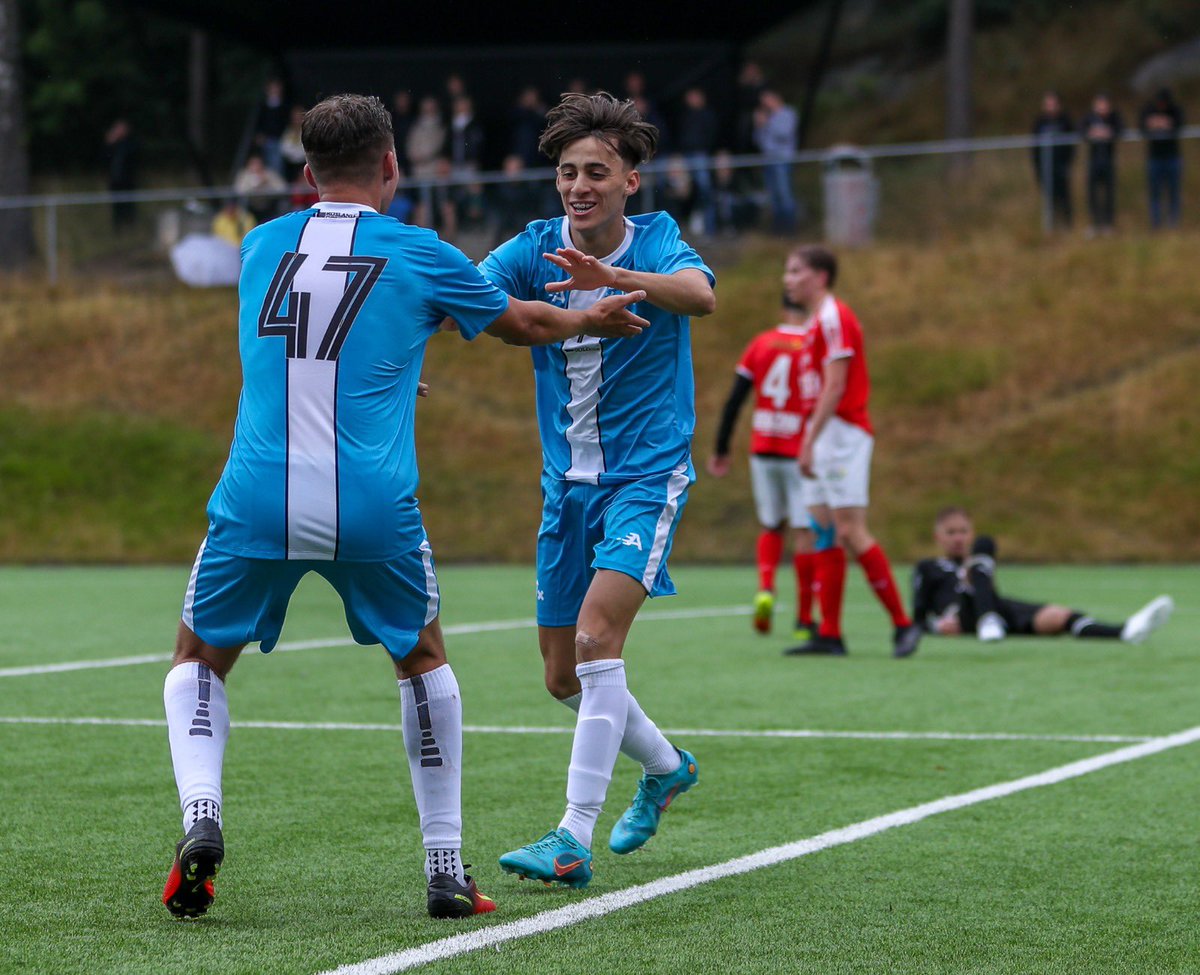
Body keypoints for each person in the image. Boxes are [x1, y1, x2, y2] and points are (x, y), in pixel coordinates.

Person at [159, 93, 650, 923]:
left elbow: (312, 340)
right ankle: (445, 868)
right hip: (370, 502)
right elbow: (522, 322)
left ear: (307, 172)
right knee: (421, 658)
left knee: (198, 657)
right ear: (392, 163)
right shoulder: (420, 250)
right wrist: (589, 316)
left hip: (257, 495)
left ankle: (202, 813)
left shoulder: (259, 245)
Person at [477, 91, 716, 889]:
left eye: (597, 173)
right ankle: (667, 766)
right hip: (566, 486)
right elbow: (468, 301)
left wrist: (614, 277)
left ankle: (571, 836)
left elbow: (701, 296)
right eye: (568, 172)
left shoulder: (658, 240)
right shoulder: (533, 248)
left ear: (629, 183)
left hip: (646, 474)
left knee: (595, 639)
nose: (579, 186)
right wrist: (398, 363)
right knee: (561, 675)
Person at [782, 245, 921, 659]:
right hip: (820, 433)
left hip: (841, 433)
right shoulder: (813, 322)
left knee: (849, 529)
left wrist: (810, 440)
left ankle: (903, 624)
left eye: (796, 271)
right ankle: (830, 633)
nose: (788, 279)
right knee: (822, 528)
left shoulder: (834, 317)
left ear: (820, 276)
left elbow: (836, 384)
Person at [708, 284, 826, 641]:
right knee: (804, 532)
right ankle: (804, 620)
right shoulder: (814, 346)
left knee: (771, 524)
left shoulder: (761, 344)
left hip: (763, 447)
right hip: (799, 449)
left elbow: (735, 400)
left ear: (782, 308)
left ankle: (765, 588)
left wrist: (721, 447)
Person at [913, 507, 1174, 646]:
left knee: (1059, 616)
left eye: (963, 531)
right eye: (951, 532)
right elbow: (917, 619)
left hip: (997, 607)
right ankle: (986, 620)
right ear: (938, 537)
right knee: (981, 555)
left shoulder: (979, 562)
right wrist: (937, 626)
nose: (958, 538)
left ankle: (1124, 631)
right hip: (961, 615)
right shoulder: (928, 567)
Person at [754, 90, 798, 234]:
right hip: (768, 160)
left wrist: (767, 123)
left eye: (766, 101)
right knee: (773, 196)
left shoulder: (787, 114)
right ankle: (778, 229)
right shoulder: (768, 117)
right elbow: (759, 141)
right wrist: (759, 126)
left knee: (784, 193)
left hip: (782, 160)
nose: (764, 104)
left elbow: (784, 134)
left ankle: (790, 228)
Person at [1139, 88, 1184, 229]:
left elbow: (1179, 124)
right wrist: (1154, 124)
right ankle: (1156, 224)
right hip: (1154, 158)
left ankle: (1173, 223)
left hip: (1172, 157)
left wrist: (1165, 123)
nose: (1161, 105)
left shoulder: (1175, 110)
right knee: (1155, 192)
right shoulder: (1149, 109)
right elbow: (1142, 125)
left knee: (1173, 191)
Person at [1031, 91, 1075, 229]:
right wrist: (1038, 167)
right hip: (1045, 167)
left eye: (1053, 104)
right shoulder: (1039, 122)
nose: (1051, 107)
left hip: (1061, 165)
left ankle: (1066, 225)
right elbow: (1034, 148)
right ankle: (1051, 225)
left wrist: (1067, 163)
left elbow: (1071, 146)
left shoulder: (1065, 121)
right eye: (1048, 104)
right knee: (1049, 198)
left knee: (1064, 197)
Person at [1080, 93, 1123, 236]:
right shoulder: (1089, 118)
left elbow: (1120, 129)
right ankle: (1094, 224)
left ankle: (1108, 224)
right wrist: (1091, 133)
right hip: (1093, 162)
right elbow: (1081, 130)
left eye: (1104, 104)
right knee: (1092, 194)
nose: (1102, 107)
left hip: (1108, 162)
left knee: (1109, 193)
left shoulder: (1114, 117)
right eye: (1099, 104)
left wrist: (1108, 133)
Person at [104, 118, 138, 231]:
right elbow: (105, 158)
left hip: (128, 182)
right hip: (115, 181)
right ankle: (117, 229)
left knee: (129, 206)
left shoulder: (130, 144)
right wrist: (110, 143)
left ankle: (131, 228)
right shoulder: (112, 145)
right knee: (116, 206)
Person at [233, 153, 286, 223]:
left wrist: (267, 183)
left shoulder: (269, 173)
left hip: (269, 205)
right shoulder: (244, 175)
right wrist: (253, 187)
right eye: (253, 164)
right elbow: (239, 190)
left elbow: (282, 188)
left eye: (258, 164)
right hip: (250, 206)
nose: (256, 166)